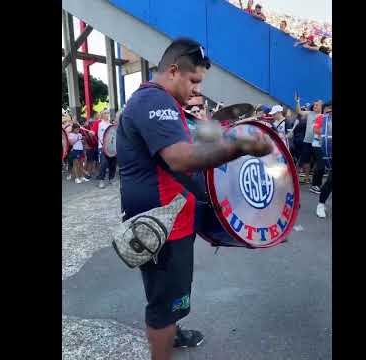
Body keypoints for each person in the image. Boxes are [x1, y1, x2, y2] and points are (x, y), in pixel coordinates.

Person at [116, 37, 272, 360]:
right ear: (173, 71)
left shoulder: (169, 106)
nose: (196, 90)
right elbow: (181, 158)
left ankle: (174, 331)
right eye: (194, 81)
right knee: (162, 304)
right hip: (161, 229)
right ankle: (163, 342)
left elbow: (199, 142)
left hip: (174, 223)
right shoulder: (152, 101)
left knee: (174, 295)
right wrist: (240, 146)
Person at [294, 93, 323, 184]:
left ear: (321, 106)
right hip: (307, 141)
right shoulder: (310, 113)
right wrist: (298, 101)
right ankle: (306, 177)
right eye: (314, 105)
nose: (315, 106)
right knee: (305, 159)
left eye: (317, 105)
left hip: (318, 142)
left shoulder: (323, 116)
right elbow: (299, 112)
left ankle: (316, 179)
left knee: (318, 161)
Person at [93, 109, 118, 188]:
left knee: (112, 164)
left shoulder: (111, 125)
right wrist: (92, 133)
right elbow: (93, 132)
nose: (107, 114)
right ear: (102, 114)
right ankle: (101, 181)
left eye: (108, 113)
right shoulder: (98, 123)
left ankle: (111, 179)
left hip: (112, 147)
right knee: (103, 163)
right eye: (105, 113)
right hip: (102, 147)